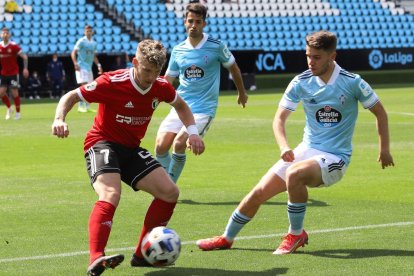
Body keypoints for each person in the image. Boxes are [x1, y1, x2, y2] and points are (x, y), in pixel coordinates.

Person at [196, 30, 395, 254]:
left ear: (333, 56)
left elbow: (381, 113)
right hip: (306, 150)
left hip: (335, 158)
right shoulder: (301, 81)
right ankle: (226, 237)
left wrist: (384, 149)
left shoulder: (352, 82)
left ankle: (296, 234)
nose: (310, 62)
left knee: (294, 174)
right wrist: (284, 147)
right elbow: (279, 119)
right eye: (308, 55)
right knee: (258, 192)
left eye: (316, 57)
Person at [52, 39, 205, 275]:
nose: (151, 77)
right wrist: (59, 119)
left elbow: (182, 106)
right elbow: (71, 96)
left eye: (156, 72)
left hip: (131, 149)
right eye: (146, 70)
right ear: (135, 62)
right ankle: (96, 258)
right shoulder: (111, 82)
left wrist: (193, 133)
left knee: (170, 192)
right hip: (101, 143)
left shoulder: (161, 86)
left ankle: (142, 255)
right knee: (111, 193)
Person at [155, 2, 248, 183]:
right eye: (190, 21)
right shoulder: (178, 50)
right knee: (160, 147)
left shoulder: (216, 46)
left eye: (198, 22)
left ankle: (168, 185)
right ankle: (164, 180)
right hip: (180, 106)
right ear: (185, 22)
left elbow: (234, 68)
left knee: (180, 143)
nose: (193, 25)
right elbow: (168, 80)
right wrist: (154, 99)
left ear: (204, 24)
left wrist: (242, 93)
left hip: (203, 109)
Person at [71, 25, 103, 112]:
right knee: (84, 86)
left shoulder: (94, 43)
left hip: (89, 68)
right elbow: (73, 52)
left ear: (92, 32)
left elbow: (93, 56)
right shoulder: (81, 41)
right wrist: (75, 63)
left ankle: (87, 107)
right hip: (81, 66)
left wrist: (99, 65)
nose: (88, 32)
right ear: (84, 32)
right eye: (87, 31)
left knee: (90, 87)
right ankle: (80, 106)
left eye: (90, 31)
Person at [0, 27, 29, 120]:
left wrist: (25, 68)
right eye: (3, 33)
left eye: (6, 33)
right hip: (4, 73)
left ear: (9, 35)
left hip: (13, 73)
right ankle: (9, 108)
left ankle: (18, 113)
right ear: (1, 35)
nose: (5, 35)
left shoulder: (13, 46)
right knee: (1, 93)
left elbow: (24, 57)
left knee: (14, 93)